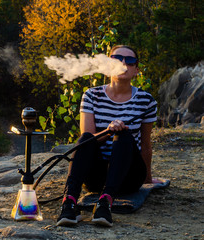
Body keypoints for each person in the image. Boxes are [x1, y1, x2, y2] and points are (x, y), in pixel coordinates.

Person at [56, 45, 157, 227]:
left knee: (124, 135)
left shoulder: (146, 101)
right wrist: (109, 130)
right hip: (96, 176)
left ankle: (105, 203)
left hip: (128, 177)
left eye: (130, 61)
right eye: (117, 59)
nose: (123, 63)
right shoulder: (91, 95)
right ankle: (69, 201)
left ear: (136, 70)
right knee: (86, 138)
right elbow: (87, 141)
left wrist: (148, 179)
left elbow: (146, 144)